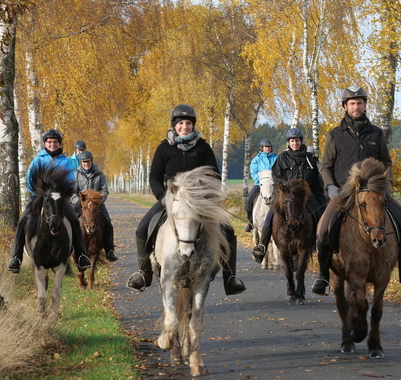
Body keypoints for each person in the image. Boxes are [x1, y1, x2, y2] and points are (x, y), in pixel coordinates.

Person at [311, 86, 401, 295]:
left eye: (359, 103)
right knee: (324, 229)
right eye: (352, 103)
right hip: (344, 191)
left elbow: (386, 162)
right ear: (345, 106)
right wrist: (332, 186)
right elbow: (326, 166)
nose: (356, 106)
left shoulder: (376, 133)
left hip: (374, 193)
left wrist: (384, 184)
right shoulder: (335, 135)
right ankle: (323, 275)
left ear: (365, 105)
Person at [125, 104, 246, 295]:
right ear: (174, 126)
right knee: (143, 228)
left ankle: (230, 278)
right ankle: (143, 273)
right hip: (171, 199)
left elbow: (214, 175)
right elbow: (154, 177)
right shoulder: (163, 148)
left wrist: (207, 197)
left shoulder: (203, 147)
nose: (184, 127)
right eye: (180, 123)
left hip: (198, 200)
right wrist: (163, 197)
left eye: (188, 123)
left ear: (193, 125)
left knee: (228, 230)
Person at [8, 129, 92, 273]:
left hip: (59, 199)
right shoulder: (38, 160)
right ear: (45, 143)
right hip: (40, 198)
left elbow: (71, 182)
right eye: (49, 142)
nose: (52, 144)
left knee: (74, 219)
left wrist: (65, 195)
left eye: (55, 142)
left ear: (59, 144)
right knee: (23, 220)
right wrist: (39, 193)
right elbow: (30, 181)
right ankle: (16, 257)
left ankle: (81, 255)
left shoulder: (65, 162)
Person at [251, 128, 327, 262]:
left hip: (306, 197)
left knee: (320, 212)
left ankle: (321, 243)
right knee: (271, 214)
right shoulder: (282, 158)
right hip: (287, 195)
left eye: (297, 141)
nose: (295, 143)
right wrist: (285, 186)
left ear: (300, 142)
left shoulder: (309, 159)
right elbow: (276, 174)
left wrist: (320, 198)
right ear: (289, 143)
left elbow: (315, 180)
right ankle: (262, 245)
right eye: (292, 141)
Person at [70, 150, 119, 262]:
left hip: (96, 205)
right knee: (69, 220)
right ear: (81, 163)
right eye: (84, 162)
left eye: (88, 161)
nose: (86, 164)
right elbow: (73, 192)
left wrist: (99, 202)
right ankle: (69, 248)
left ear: (91, 161)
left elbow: (104, 191)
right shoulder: (76, 174)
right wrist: (79, 201)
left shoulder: (99, 174)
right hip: (81, 204)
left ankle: (109, 250)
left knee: (107, 221)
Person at [244, 139, 278, 232]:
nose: (268, 148)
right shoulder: (256, 159)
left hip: (273, 184)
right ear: (262, 148)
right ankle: (251, 221)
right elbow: (253, 171)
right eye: (266, 147)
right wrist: (260, 180)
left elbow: (278, 170)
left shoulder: (276, 158)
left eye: (269, 147)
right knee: (249, 199)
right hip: (260, 184)